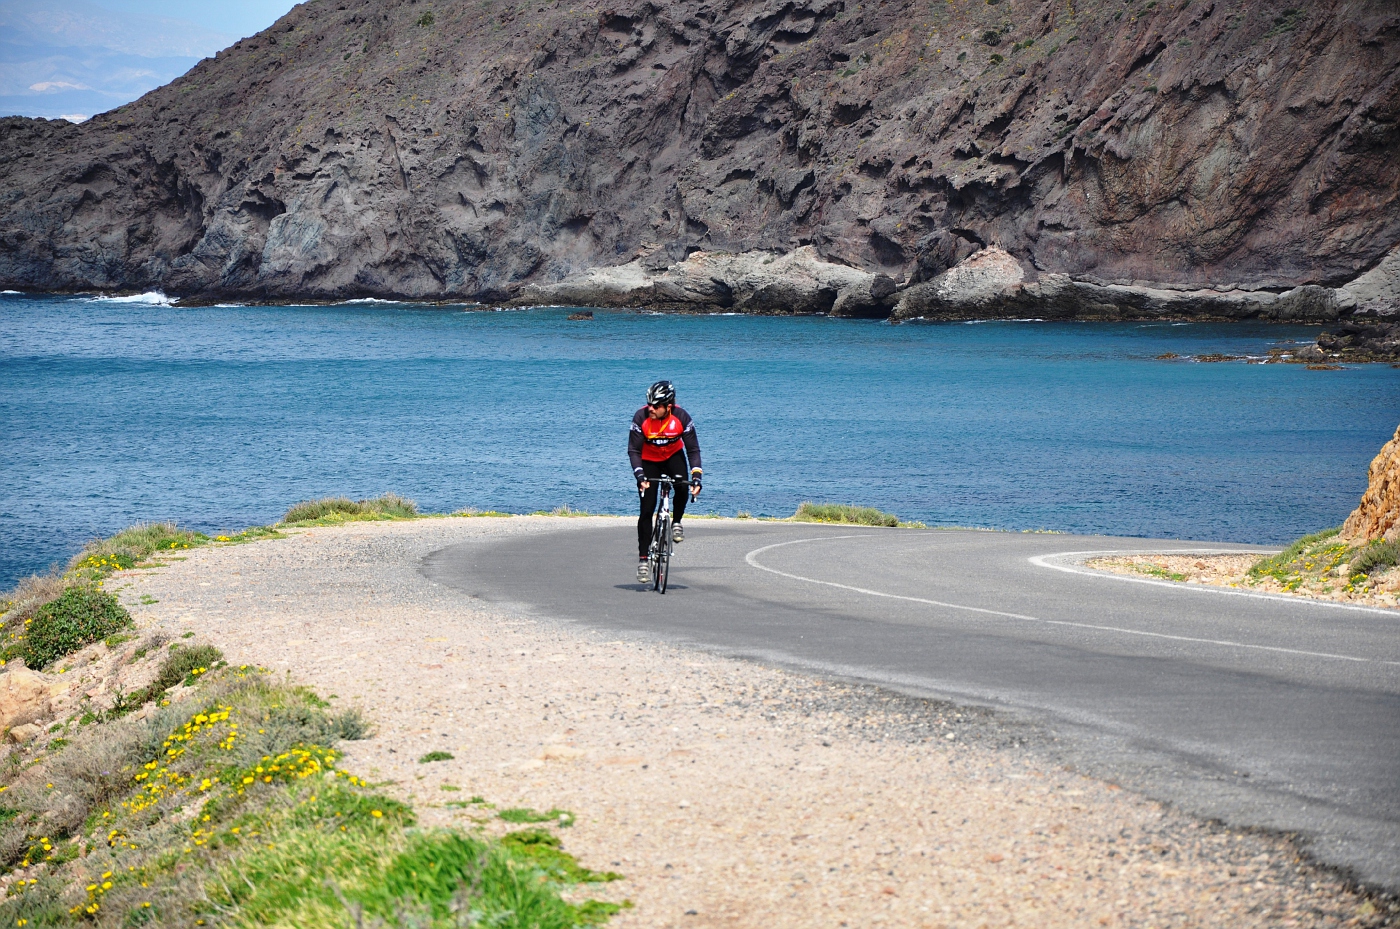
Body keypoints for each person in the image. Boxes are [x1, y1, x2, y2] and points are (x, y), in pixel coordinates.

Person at [629, 380, 702, 583]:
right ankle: (644, 560)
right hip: (649, 460)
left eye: (656, 406)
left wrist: (697, 477)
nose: (650, 408)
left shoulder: (681, 418)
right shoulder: (641, 417)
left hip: (673, 457)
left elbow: (693, 450)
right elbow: (633, 450)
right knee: (646, 509)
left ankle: (676, 521)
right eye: (649, 404)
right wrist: (640, 476)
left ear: (668, 407)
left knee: (682, 486)